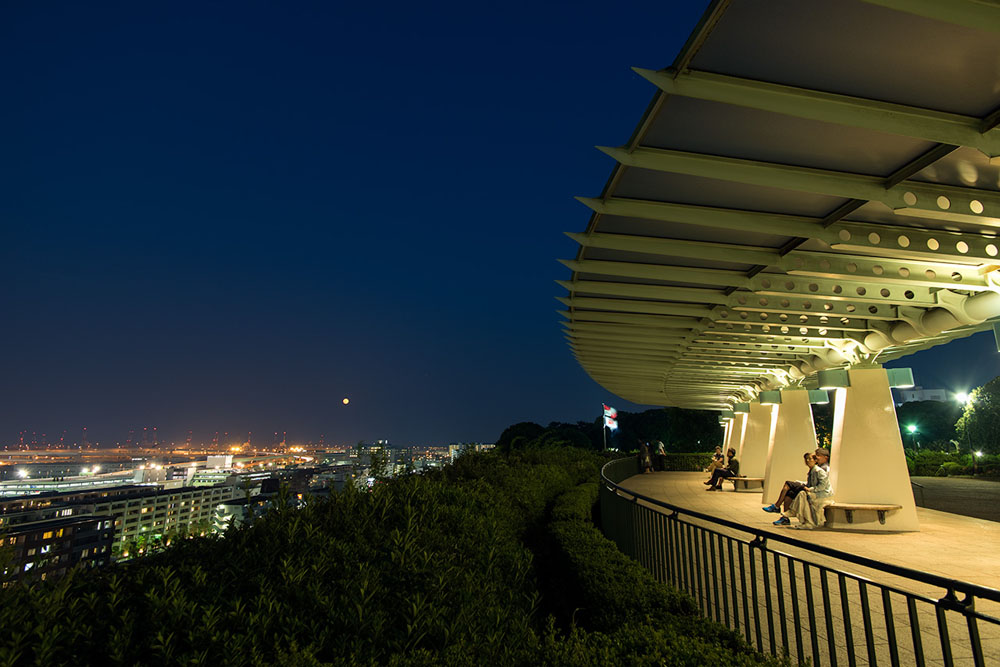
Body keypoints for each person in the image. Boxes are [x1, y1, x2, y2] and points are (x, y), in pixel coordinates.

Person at [767, 452, 832, 527]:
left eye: (810, 459)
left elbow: (823, 486)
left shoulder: (819, 471)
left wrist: (810, 489)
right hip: (813, 491)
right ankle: (785, 516)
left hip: (821, 493)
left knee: (789, 485)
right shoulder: (811, 471)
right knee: (790, 493)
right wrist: (802, 483)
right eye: (806, 459)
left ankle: (779, 507)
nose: (807, 461)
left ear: (815, 460)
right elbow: (810, 483)